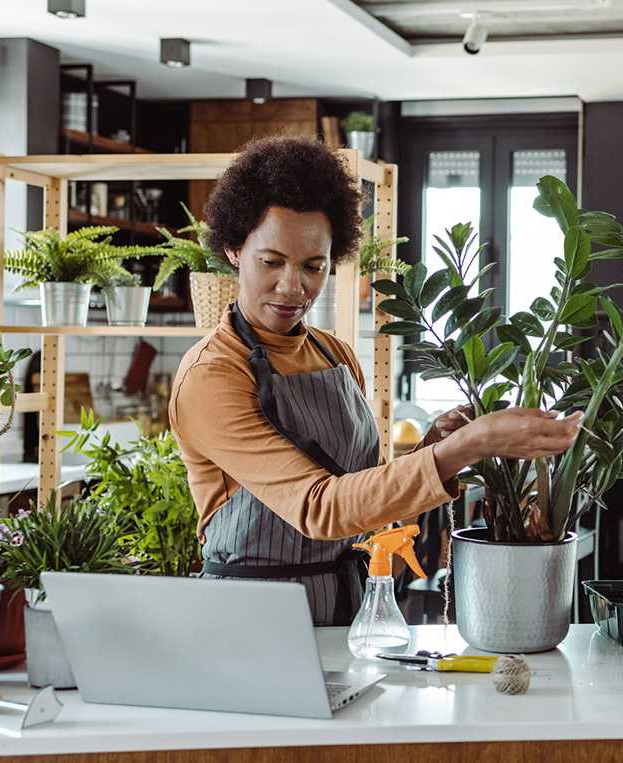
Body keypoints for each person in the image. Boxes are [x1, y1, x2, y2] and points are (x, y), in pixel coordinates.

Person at [169, 136, 583, 625]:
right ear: (234, 249)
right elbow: (319, 508)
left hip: (350, 607)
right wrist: (468, 447)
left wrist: (433, 446)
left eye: (313, 266)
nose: (293, 287)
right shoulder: (212, 374)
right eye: (272, 262)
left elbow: (364, 498)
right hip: (253, 617)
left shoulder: (336, 354)